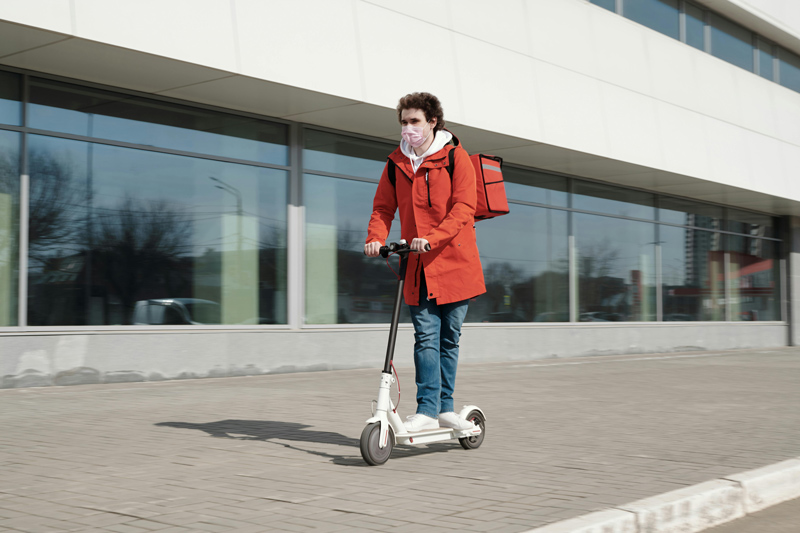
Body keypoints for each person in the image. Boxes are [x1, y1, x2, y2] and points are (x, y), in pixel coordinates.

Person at [364, 92, 486, 432]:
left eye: (414, 121)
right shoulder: (396, 163)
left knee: (449, 338)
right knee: (426, 337)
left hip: (456, 260)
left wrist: (433, 237)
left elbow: (464, 207)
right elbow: (383, 207)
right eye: (404, 122)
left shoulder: (454, 157)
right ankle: (427, 409)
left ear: (432, 122)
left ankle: (446, 407)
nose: (408, 128)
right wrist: (375, 237)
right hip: (418, 265)